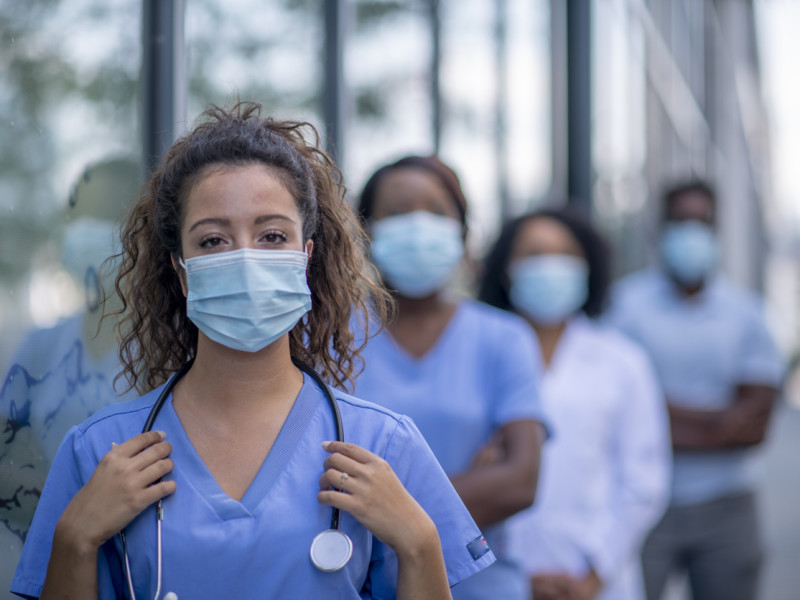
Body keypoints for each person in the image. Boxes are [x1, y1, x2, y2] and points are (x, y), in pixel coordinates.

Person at [11, 103, 494, 599]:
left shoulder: (383, 445)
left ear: (305, 256)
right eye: (214, 240)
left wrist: (419, 543)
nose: (245, 257)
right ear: (181, 269)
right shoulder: (99, 451)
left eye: (272, 236)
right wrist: (74, 540)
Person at [353, 155, 548, 600]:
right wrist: (469, 485)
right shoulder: (327, 338)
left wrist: (378, 504)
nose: (418, 227)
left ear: (461, 232)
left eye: (436, 213)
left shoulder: (504, 336)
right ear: (366, 232)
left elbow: (521, 481)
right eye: (398, 212)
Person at [477, 207, 671, 600]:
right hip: (498, 581)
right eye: (533, 254)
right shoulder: (478, 355)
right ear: (506, 269)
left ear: (588, 268)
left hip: (598, 582)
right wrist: (513, 575)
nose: (551, 266)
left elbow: (644, 482)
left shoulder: (623, 362)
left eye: (566, 254)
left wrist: (594, 574)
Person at [606, 180, 785, 600]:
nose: (691, 233)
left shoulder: (747, 313)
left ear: (716, 229)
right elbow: (615, 414)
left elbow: (753, 428)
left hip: (728, 505)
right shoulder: (623, 307)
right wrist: (718, 416)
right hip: (641, 505)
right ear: (660, 230)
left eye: (702, 222)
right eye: (680, 222)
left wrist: (655, 413)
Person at [1, 158, 139, 600]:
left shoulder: (170, 347)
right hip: (40, 565)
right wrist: (75, 511)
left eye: (102, 218)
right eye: (79, 218)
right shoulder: (45, 343)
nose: (85, 232)